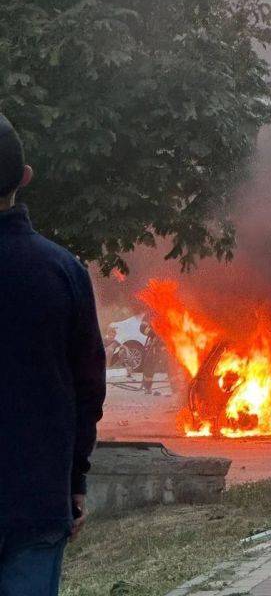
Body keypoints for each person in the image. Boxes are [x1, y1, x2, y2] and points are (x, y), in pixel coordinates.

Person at [0, 113, 106, 595]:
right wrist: (74, 480)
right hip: (38, 501)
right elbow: (88, 389)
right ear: (25, 177)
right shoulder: (63, 272)